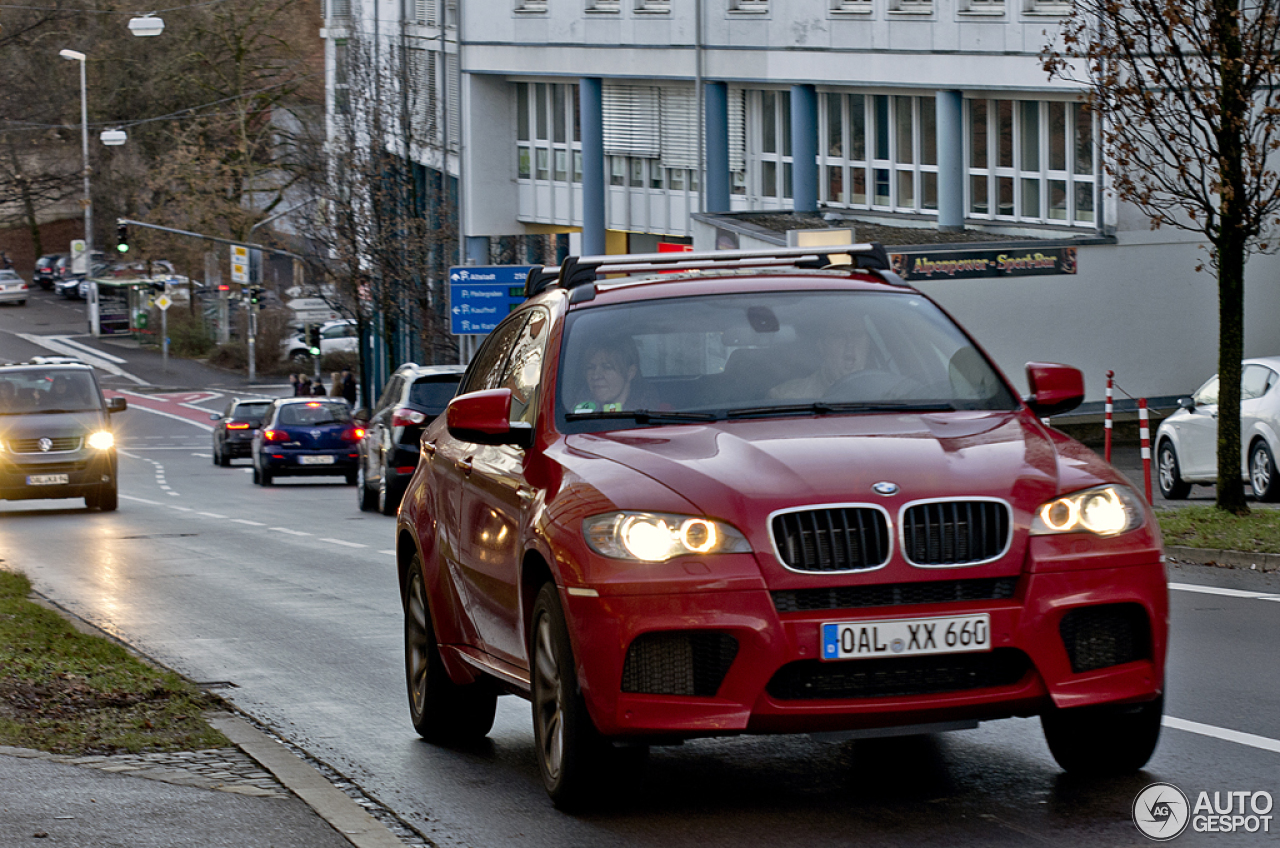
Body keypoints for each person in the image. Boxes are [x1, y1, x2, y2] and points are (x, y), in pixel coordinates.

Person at [769, 321, 872, 399]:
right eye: (839, 335)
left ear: (868, 344)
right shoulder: (786, 397)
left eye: (857, 335)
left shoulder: (886, 394)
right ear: (822, 347)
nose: (850, 343)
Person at [572, 337, 657, 413]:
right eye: (590, 367)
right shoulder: (570, 415)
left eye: (607, 367)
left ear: (630, 373)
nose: (595, 376)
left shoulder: (656, 418)